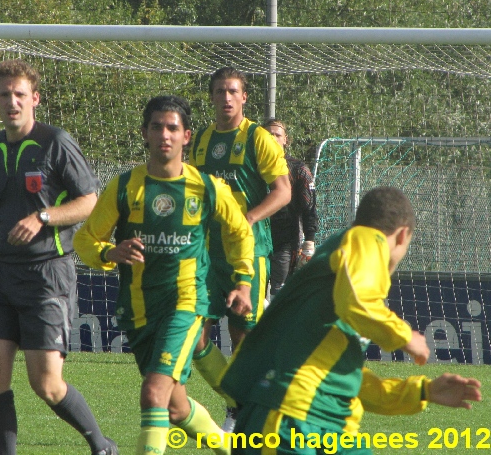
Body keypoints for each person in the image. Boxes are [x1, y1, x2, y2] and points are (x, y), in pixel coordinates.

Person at [220, 186, 482, 454]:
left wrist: (423, 391)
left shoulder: (335, 294)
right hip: (288, 418)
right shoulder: (367, 238)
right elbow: (356, 304)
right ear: (402, 236)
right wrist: (404, 336)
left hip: (329, 427)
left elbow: (345, 379)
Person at [73, 95, 255, 455]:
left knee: (153, 393)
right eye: (157, 127)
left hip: (185, 304)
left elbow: (240, 231)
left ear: (187, 136)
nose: (164, 135)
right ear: (145, 132)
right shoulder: (125, 187)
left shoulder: (206, 187)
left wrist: (243, 282)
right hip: (140, 311)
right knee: (175, 408)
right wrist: (111, 252)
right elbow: (85, 238)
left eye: (173, 128)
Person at [0, 59, 116, 455]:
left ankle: (101, 445)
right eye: (5, 95)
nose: (12, 102)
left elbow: (91, 200)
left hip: (46, 274)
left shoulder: (55, 141)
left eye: (20, 95)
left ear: (34, 99)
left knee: (46, 383)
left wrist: (44, 216)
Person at [189, 66, 291, 430]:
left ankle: (246, 414)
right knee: (194, 335)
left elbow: (283, 191)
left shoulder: (258, 138)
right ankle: (237, 400)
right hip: (205, 255)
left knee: (241, 336)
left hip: (247, 254)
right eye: (220, 91)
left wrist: (246, 219)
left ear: (244, 97)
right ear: (212, 97)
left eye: (233, 91)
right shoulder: (200, 139)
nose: (226, 97)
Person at [263, 119, 318, 301]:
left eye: (277, 134)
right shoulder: (251, 167)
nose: (272, 138)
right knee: (256, 299)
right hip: (256, 242)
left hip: (286, 243)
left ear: (286, 139)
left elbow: (309, 208)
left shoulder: (298, 169)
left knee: (280, 296)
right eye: (268, 134)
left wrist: (309, 241)